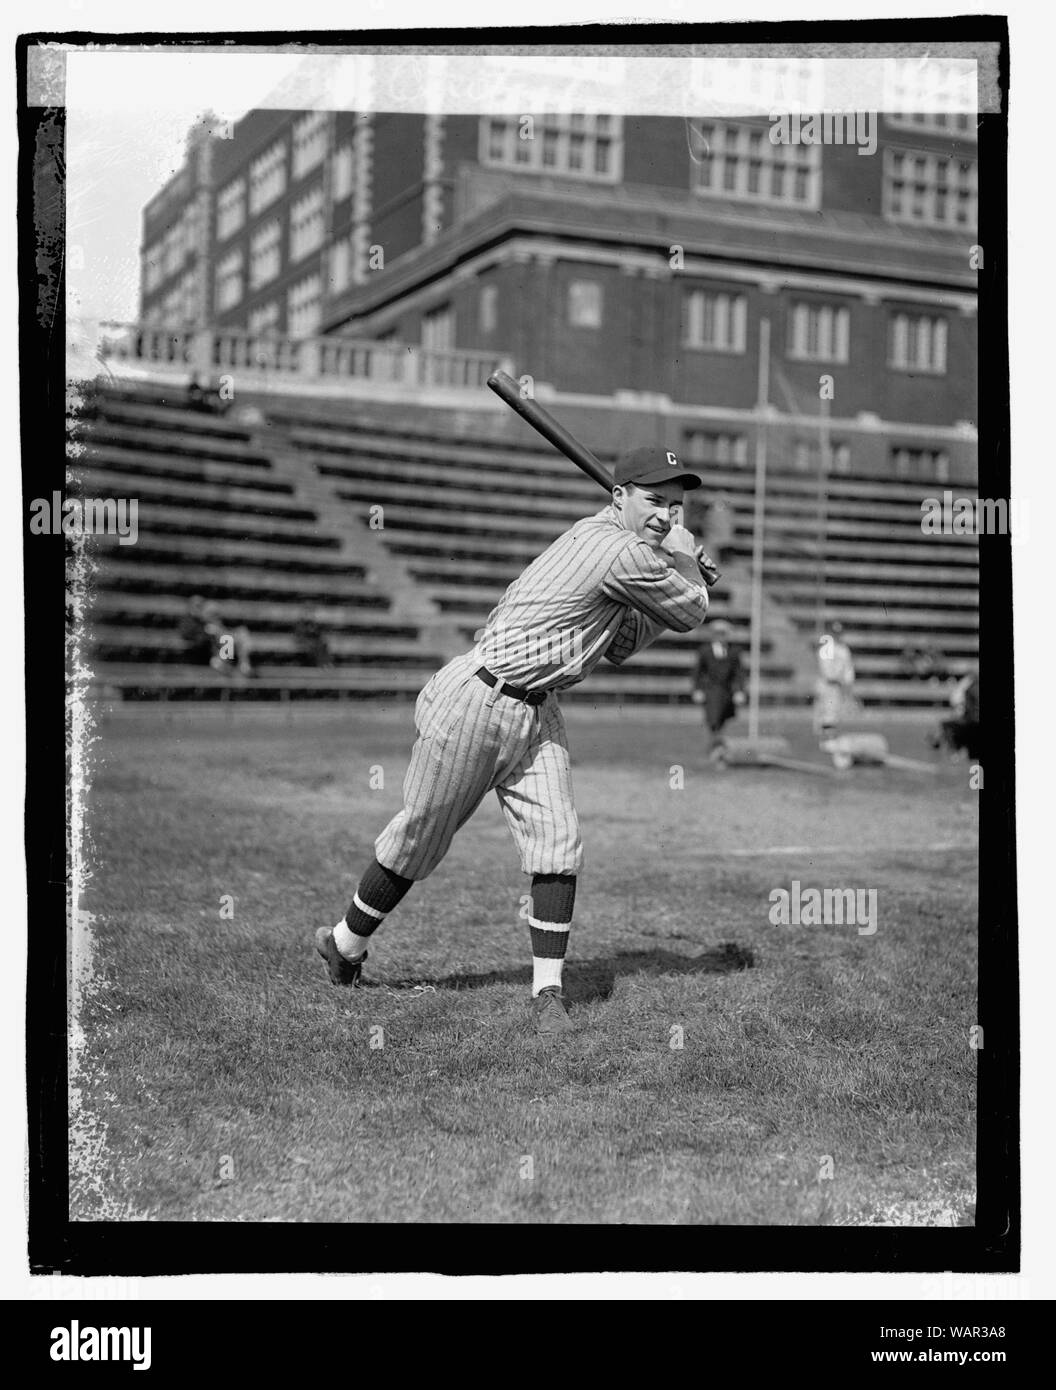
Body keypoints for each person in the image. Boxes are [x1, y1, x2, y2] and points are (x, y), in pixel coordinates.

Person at [314, 445, 716, 1035]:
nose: (666, 517)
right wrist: (687, 566)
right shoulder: (617, 549)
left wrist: (675, 575)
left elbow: (624, 640)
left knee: (558, 841)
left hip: (538, 705)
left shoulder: (620, 548)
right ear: (619, 497)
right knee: (419, 837)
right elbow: (690, 613)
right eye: (654, 501)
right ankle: (345, 944)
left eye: (676, 508)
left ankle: (547, 993)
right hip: (478, 699)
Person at [692, 619, 746, 759]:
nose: (721, 636)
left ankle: (718, 747)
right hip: (711, 691)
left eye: (723, 633)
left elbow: (739, 673)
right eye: (718, 633)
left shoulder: (734, 652)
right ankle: (715, 748)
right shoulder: (704, 651)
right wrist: (697, 690)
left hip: (727, 692)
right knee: (713, 720)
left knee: (722, 720)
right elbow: (697, 672)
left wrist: (739, 691)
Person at [813, 620, 856, 739]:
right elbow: (826, 670)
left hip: (838, 686)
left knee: (834, 712)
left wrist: (848, 684)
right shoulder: (825, 648)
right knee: (824, 712)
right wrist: (837, 678)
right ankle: (824, 737)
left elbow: (848, 669)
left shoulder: (844, 649)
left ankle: (829, 737)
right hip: (826, 684)